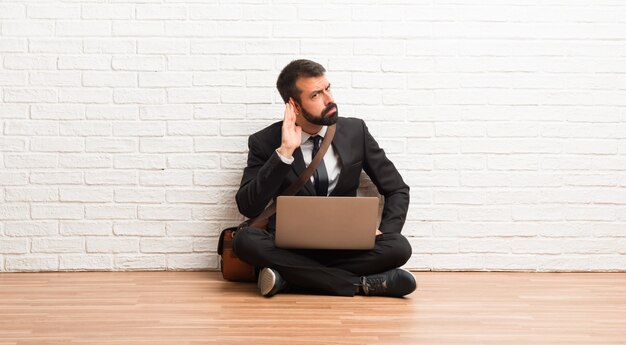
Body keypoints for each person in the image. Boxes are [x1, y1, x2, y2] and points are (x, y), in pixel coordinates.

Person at [232, 59, 416, 298]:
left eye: (328, 88)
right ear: (295, 106)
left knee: (399, 247)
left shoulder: (355, 131)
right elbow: (248, 206)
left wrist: (384, 230)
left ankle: (288, 279)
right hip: (290, 248)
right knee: (245, 241)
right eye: (317, 95)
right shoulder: (265, 142)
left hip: (346, 246)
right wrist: (284, 153)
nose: (330, 100)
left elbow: (397, 189)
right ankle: (359, 284)